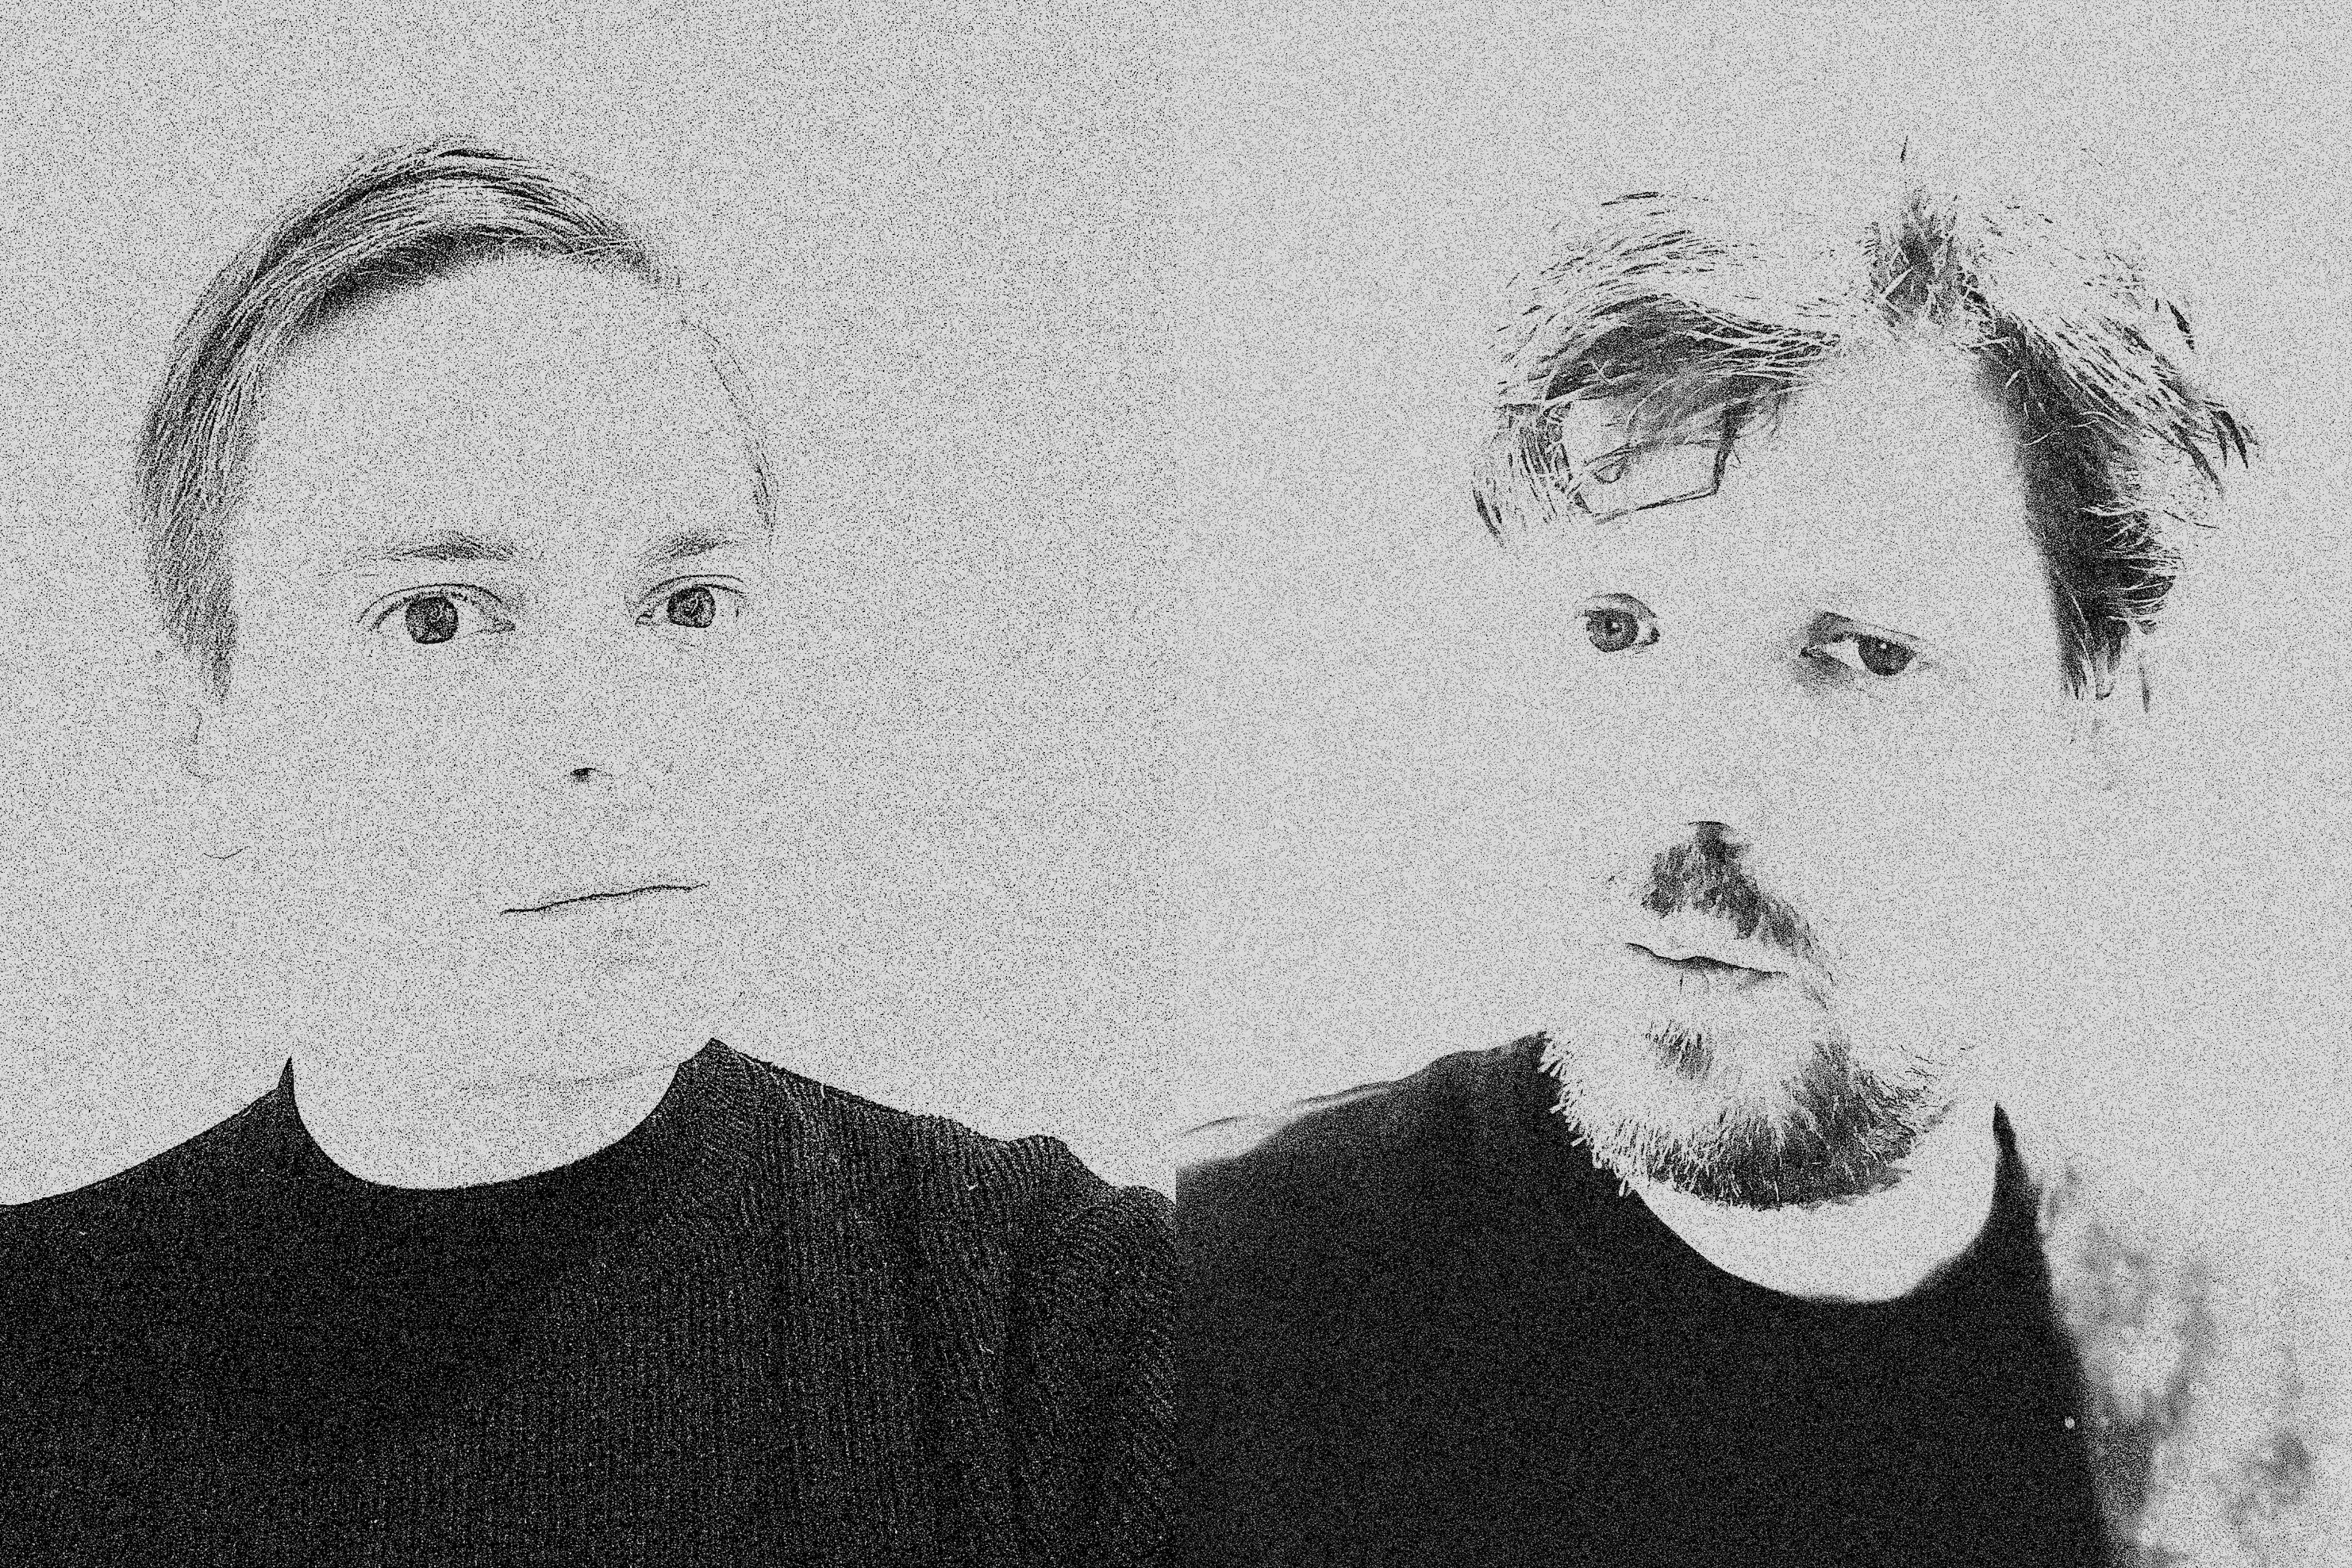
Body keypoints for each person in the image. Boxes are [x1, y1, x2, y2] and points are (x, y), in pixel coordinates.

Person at [0, 137, 1170, 1566]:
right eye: (439, 617)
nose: (609, 736)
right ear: (206, 726)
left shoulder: (1053, 1319)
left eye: (687, 603)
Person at [1174, 179, 2331, 1565]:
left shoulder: (2263, 1416)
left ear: (2102, 713)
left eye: (1865, 654)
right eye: (1620, 628)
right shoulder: (1193, 1316)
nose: (1694, 783)